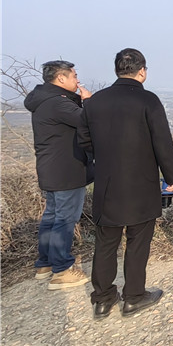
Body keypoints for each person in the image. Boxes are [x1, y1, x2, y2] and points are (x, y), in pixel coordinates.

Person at [78, 48, 173, 320]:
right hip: (142, 184)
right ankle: (133, 297)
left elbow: (84, 141)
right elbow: (162, 143)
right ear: (142, 71)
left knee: (105, 243)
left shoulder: (95, 102)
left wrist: (105, 157)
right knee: (138, 242)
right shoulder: (148, 100)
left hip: (107, 184)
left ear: (117, 70)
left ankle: (102, 300)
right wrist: (171, 178)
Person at [24, 60, 92, 290]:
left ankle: (45, 264)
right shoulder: (58, 103)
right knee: (65, 218)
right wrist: (88, 102)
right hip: (67, 170)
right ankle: (62, 270)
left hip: (50, 168)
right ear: (61, 78)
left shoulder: (44, 100)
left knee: (52, 216)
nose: (77, 80)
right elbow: (88, 121)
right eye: (74, 76)